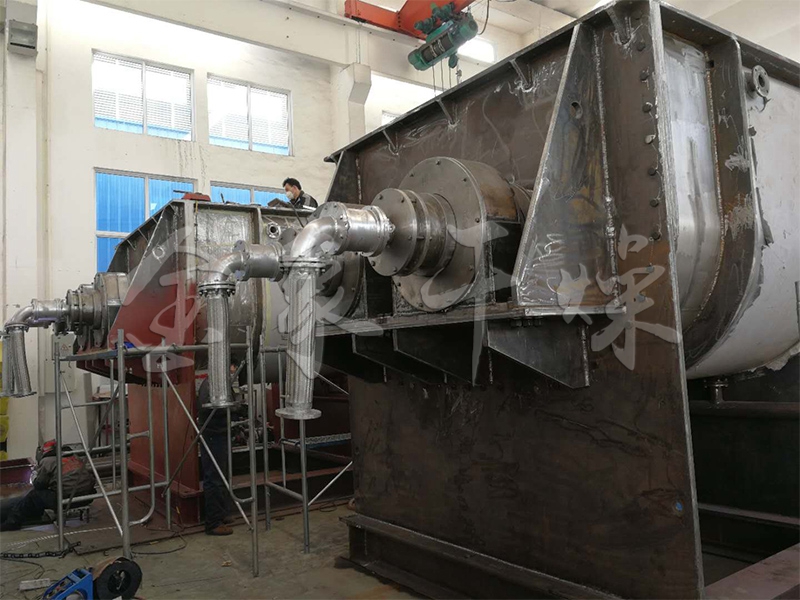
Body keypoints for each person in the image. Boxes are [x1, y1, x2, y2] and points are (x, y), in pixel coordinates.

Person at [0, 440, 95, 531]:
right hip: (87, 497)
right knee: (46, 493)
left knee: (34, 495)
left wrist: (35, 476)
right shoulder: (74, 457)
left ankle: (12, 522)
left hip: (65, 500)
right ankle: (36, 514)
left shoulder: (47, 461)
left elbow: (39, 484)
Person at [196, 362, 239, 536]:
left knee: (223, 476)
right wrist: (235, 407)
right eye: (231, 366)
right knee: (214, 478)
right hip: (213, 436)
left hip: (222, 433)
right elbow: (211, 407)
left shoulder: (221, 384)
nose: (233, 371)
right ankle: (213, 523)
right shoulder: (209, 385)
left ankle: (222, 514)